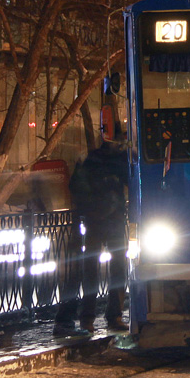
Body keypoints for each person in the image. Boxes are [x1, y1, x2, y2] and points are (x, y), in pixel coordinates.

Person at [55, 137, 130, 335]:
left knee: (91, 271)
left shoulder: (91, 160)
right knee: (117, 269)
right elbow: (131, 181)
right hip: (112, 220)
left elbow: (76, 188)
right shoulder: (119, 161)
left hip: (94, 221)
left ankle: (88, 319)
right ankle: (113, 316)